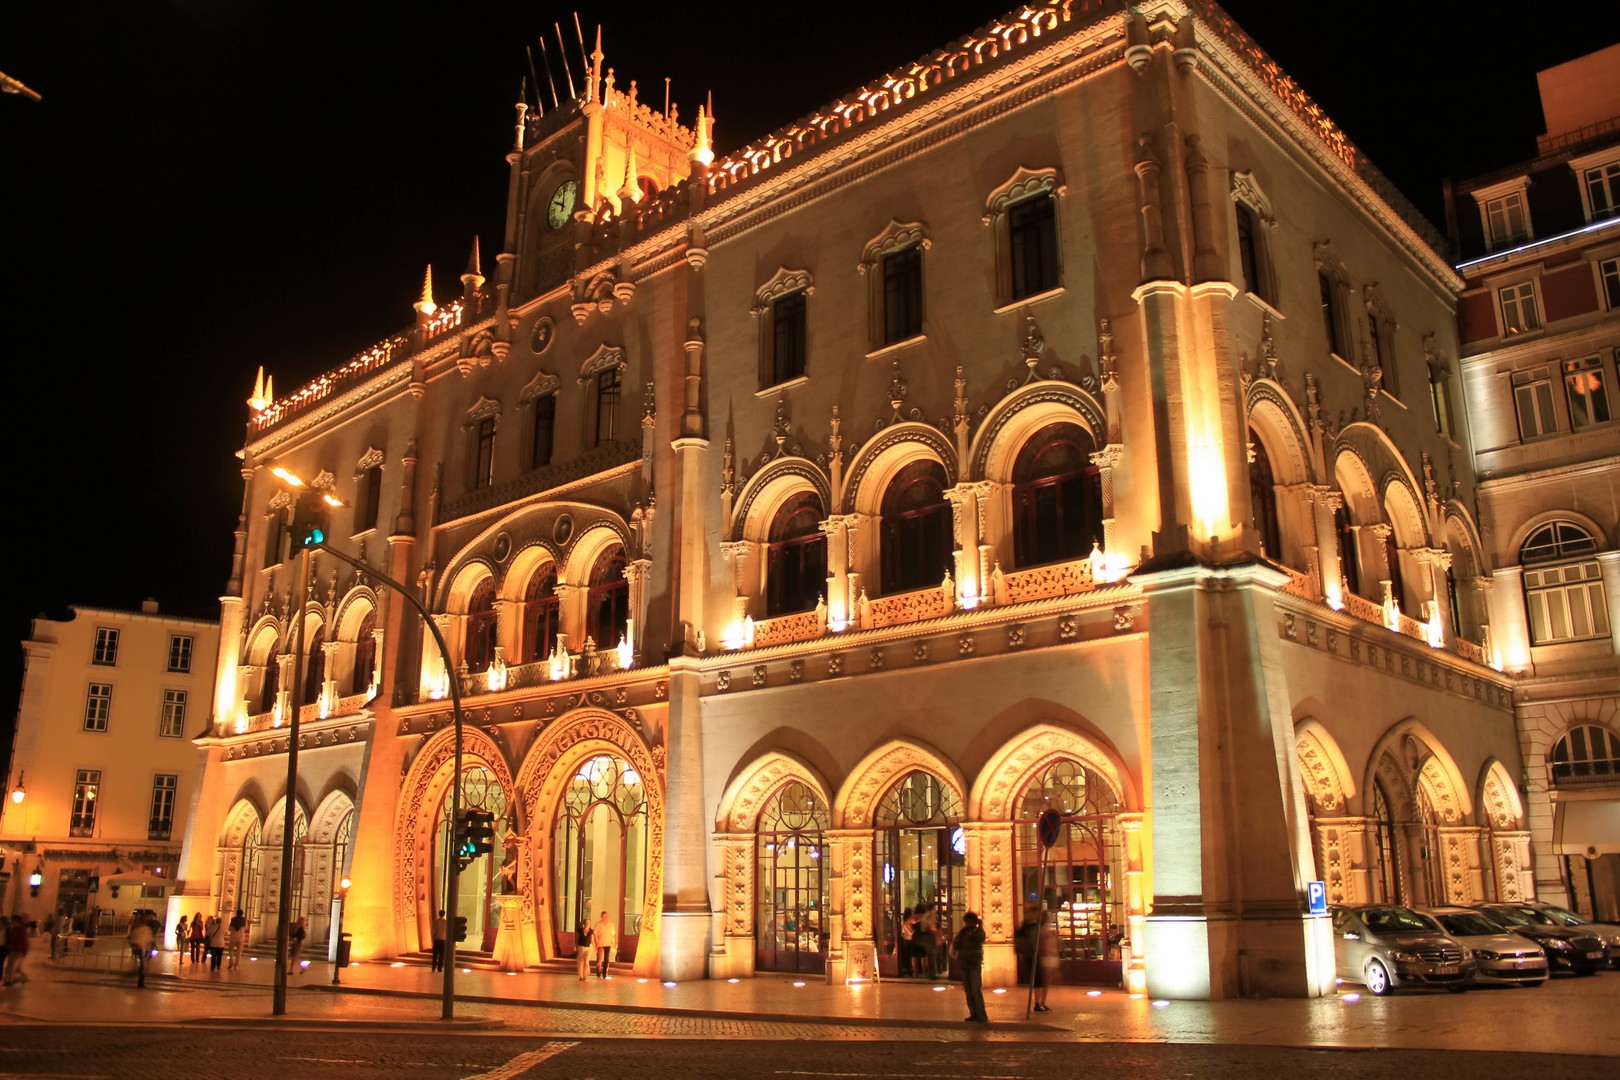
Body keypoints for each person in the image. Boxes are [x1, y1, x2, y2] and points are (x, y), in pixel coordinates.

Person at [952, 911, 987, 1024]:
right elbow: (956, 943)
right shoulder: (963, 932)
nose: (968, 924)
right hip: (964, 962)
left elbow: (980, 938)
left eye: (969, 921)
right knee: (968, 990)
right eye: (967, 922)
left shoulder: (978, 931)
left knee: (975, 989)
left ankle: (981, 1015)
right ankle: (974, 1013)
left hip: (974, 963)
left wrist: (979, 927)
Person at [1033, 907, 1059, 1013]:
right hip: (1045, 957)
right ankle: (1039, 1003)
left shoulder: (1042, 927)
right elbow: (1044, 944)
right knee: (1043, 982)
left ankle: (1041, 1003)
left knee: (1044, 982)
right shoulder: (1042, 928)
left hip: (1047, 956)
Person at [128, 915, 154, 989]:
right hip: (140, 948)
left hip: (139, 948)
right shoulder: (146, 929)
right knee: (142, 966)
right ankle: (140, 983)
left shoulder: (137, 929)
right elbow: (150, 939)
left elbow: (132, 938)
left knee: (141, 965)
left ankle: (140, 981)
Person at [3, 915, 29, 986]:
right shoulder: (14, 929)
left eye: (13, 921)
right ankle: (9, 980)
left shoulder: (21, 930)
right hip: (13, 950)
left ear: (16, 921)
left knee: (12, 967)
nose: (11, 922)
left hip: (17, 951)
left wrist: (23, 951)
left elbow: (23, 941)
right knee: (10, 967)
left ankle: (9, 981)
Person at [592, 910, 616, 979]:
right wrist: (596, 943)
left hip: (608, 944)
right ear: (601, 917)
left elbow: (613, 934)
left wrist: (613, 943)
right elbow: (595, 934)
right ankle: (598, 971)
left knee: (606, 959)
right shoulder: (598, 924)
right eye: (604, 916)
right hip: (600, 944)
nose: (605, 918)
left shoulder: (611, 925)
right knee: (599, 959)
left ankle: (605, 973)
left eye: (606, 916)